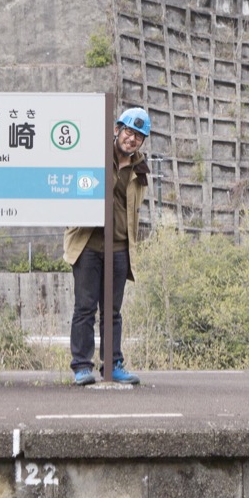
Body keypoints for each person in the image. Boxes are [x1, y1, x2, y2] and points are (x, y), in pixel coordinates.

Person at [63, 107, 151, 386]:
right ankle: (81, 366)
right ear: (116, 130)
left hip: (120, 248)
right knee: (85, 307)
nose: (132, 139)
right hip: (88, 243)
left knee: (113, 311)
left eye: (139, 136)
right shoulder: (95, 156)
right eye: (128, 132)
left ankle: (113, 365)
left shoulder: (139, 168)